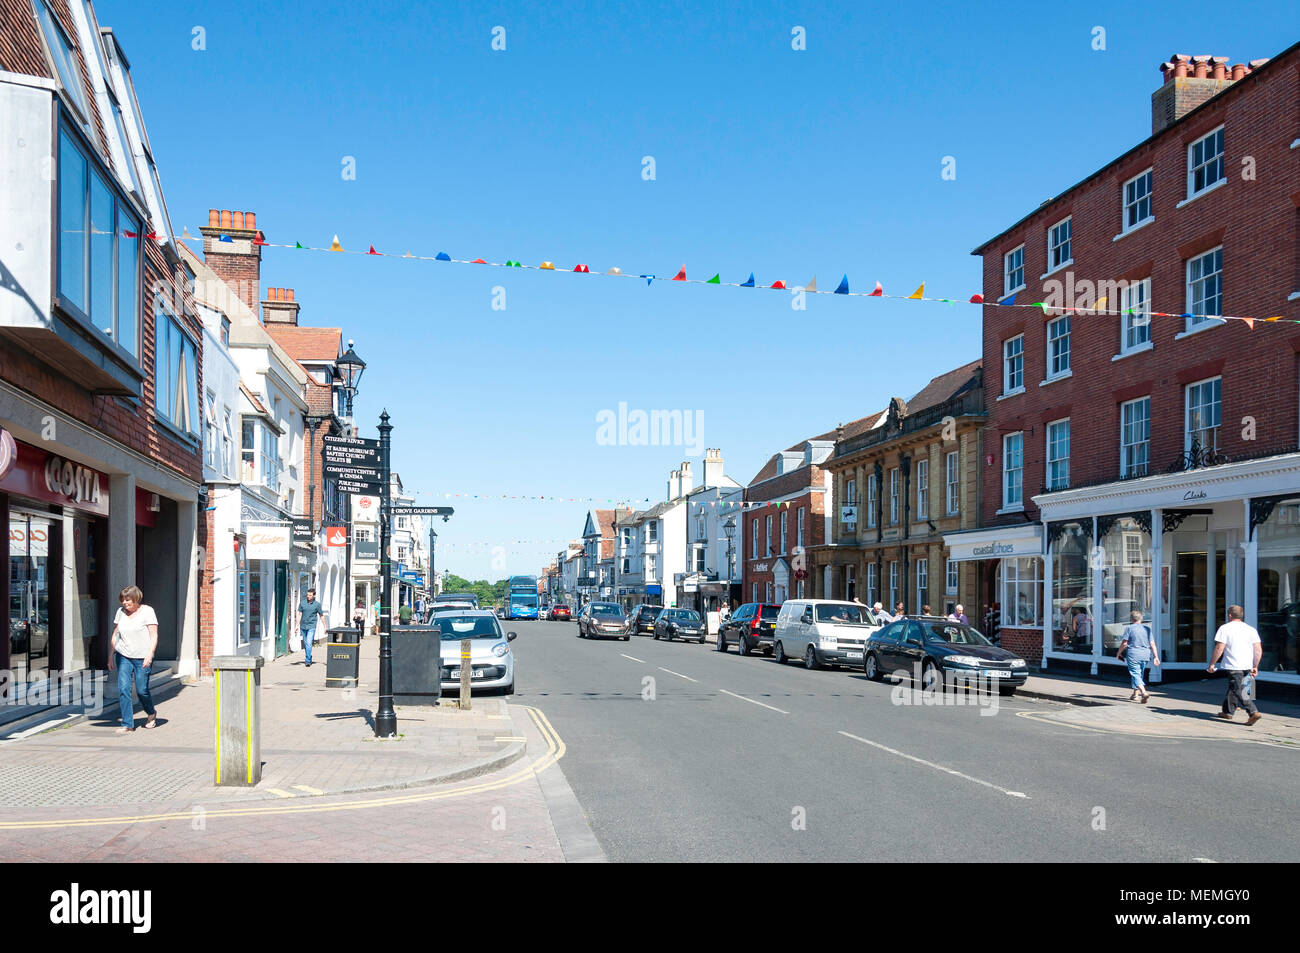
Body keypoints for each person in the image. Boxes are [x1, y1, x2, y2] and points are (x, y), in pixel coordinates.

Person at [108, 585, 159, 733]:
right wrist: (110, 656)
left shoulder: (147, 611)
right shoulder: (120, 612)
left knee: (142, 690)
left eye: (127, 600)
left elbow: (153, 635)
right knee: (124, 688)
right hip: (123, 655)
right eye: (123, 600)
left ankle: (151, 713)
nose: (124, 603)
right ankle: (127, 724)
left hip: (142, 657)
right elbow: (115, 634)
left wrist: (150, 654)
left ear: (136, 598)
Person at [1208, 605, 1262, 725]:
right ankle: (1228, 712)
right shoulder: (1251, 629)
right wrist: (1255, 666)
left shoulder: (1225, 628)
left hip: (1233, 665)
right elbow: (1258, 649)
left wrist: (1212, 663)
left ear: (1230, 615)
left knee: (1238, 689)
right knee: (1238, 688)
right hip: (1247, 665)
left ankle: (1253, 712)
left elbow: (1219, 648)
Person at [1118, 610, 1158, 702]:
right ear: (1142, 619)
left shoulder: (1129, 628)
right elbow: (1152, 644)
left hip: (1133, 654)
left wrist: (1119, 653)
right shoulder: (1147, 629)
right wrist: (1156, 657)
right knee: (1139, 674)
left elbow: (1124, 643)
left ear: (1131, 619)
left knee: (1135, 674)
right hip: (1145, 654)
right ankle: (1135, 694)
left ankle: (1144, 692)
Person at [297, 588, 325, 666]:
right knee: (306, 644)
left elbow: (321, 616)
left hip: (311, 626)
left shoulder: (317, 605)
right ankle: (309, 656)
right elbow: (299, 615)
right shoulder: (302, 603)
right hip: (303, 626)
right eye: (307, 595)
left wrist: (325, 627)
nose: (308, 596)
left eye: (310, 595)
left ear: (314, 596)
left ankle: (307, 660)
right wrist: (296, 626)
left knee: (309, 643)